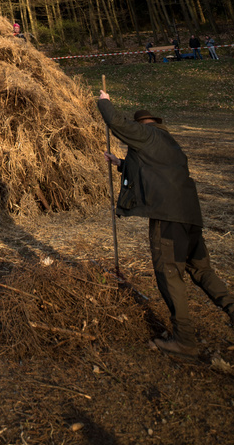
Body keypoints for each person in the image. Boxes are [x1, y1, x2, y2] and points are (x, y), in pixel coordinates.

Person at [98, 91, 234, 357]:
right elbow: (154, 171)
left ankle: (184, 340)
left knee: (169, 274)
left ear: (142, 126)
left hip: (168, 219)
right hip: (190, 217)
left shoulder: (144, 135)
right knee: (202, 271)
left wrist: (104, 100)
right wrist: (120, 164)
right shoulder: (169, 143)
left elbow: (116, 122)